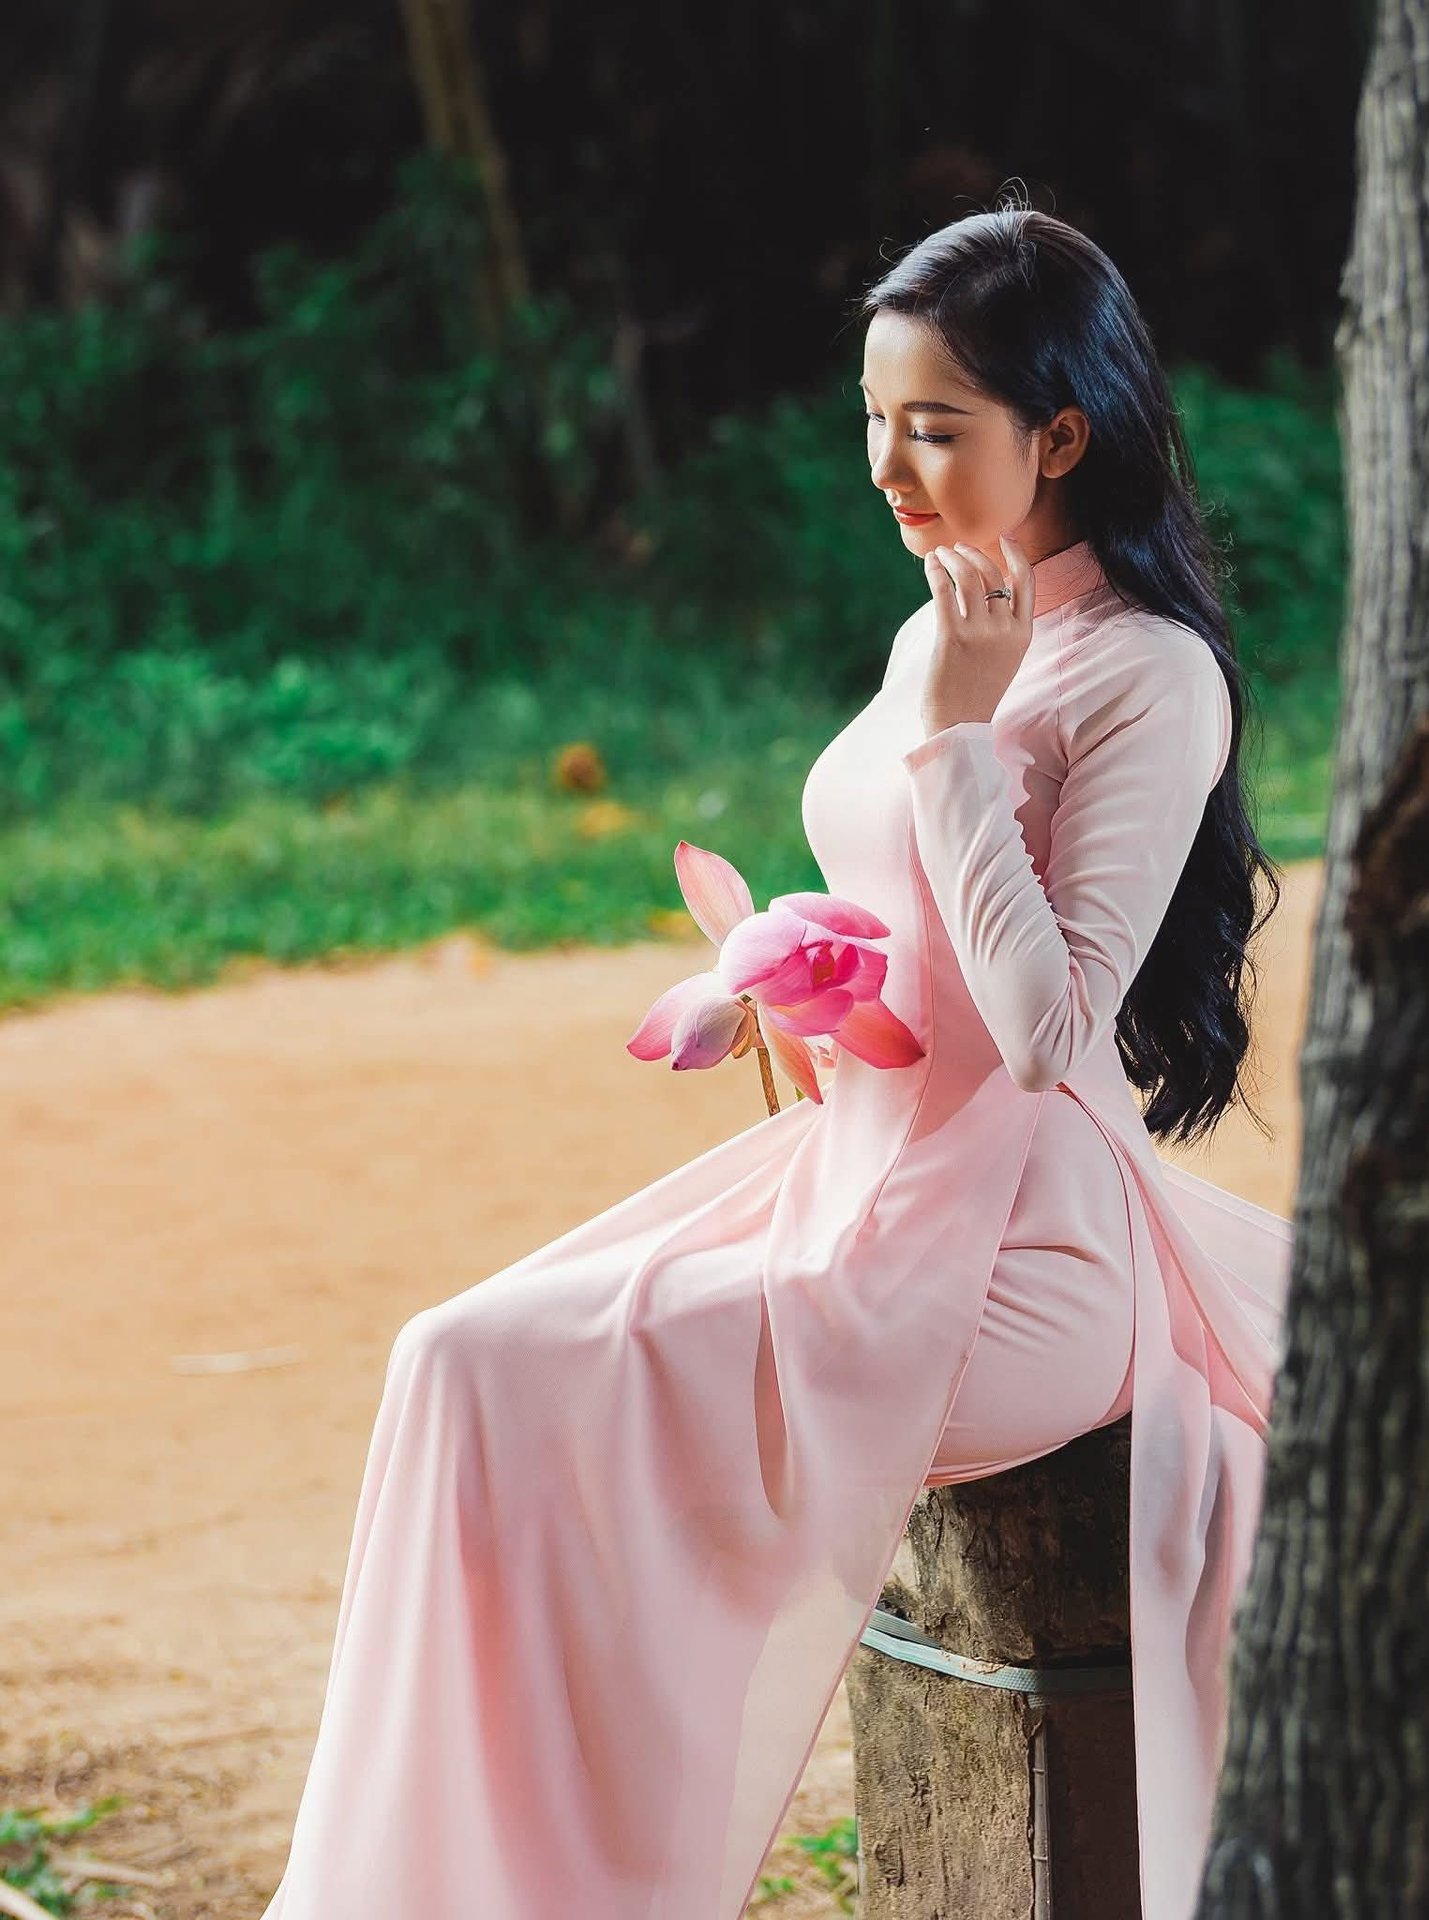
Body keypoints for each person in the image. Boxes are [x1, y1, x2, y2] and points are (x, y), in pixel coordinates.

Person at [258, 198, 1294, 1920]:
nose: (887, 466)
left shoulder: (1148, 675)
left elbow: (1050, 1034)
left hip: (1023, 1257)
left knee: (506, 1380)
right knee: (453, 1363)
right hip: (859, 1185)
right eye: (874, 419)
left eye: (936, 426)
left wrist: (958, 740)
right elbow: (918, 935)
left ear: (1060, 434)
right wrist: (811, 992)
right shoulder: (941, 626)